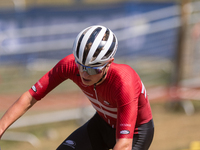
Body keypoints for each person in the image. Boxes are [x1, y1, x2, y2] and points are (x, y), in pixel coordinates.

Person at [0, 25, 154, 150]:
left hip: (135, 132)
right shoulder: (69, 65)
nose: (84, 74)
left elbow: (124, 144)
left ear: (109, 62)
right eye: (80, 66)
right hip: (101, 123)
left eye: (93, 69)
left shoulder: (123, 81)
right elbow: (30, 97)